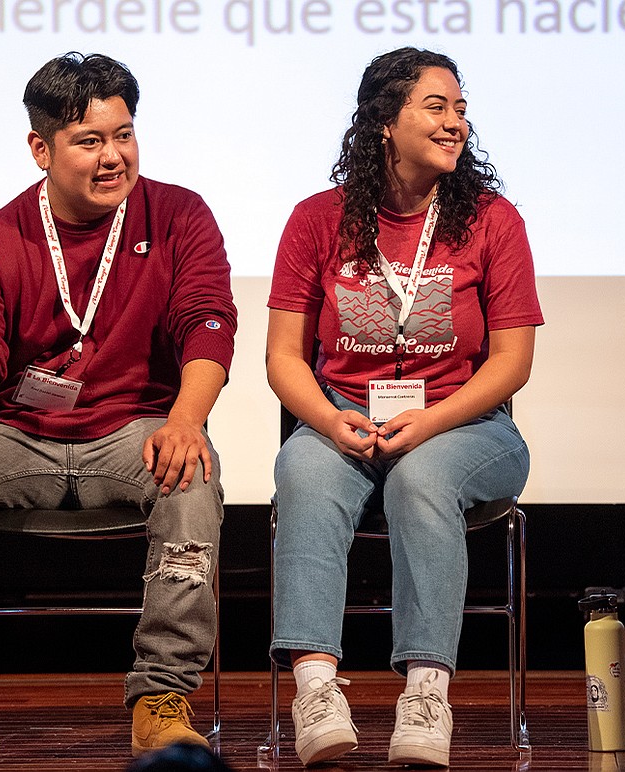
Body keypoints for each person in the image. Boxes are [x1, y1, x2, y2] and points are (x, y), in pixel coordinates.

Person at [0, 53, 236, 770]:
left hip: (135, 432)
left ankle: (162, 699)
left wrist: (185, 420)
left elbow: (208, 322)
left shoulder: (179, 215)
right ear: (41, 149)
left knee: (192, 475)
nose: (114, 157)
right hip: (19, 435)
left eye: (125, 134)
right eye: (90, 141)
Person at [265, 47, 542, 768]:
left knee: (423, 480)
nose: (456, 123)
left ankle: (426, 693)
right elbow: (284, 359)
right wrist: (326, 421)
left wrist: (431, 422)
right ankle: (317, 689)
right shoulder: (317, 220)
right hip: (346, 413)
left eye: (460, 108)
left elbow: (512, 363)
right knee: (303, 473)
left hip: (469, 422)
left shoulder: (491, 220)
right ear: (385, 121)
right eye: (437, 107)